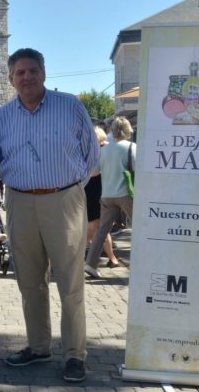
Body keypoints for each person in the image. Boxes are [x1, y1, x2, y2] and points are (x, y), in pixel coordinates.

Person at [0, 48, 98, 382]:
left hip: (62, 199)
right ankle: (39, 346)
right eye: (20, 72)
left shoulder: (70, 106)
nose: (26, 77)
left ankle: (74, 354)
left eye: (32, 70)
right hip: (19, 202)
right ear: (11, 78)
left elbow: (91, 157)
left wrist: (67, 190)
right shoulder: (3, 116)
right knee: (28, 281)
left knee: (70, 282)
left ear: (44, 72)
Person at [84, 117, 135, 279]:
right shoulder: (132, 148)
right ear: (128, 130)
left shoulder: (103, 150)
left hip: (106, 196)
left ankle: (90, 264)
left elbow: (93, 173)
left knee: (101, 231)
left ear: (113, 130)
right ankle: (144, 262)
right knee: (140, 228)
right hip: (126, 194)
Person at [84, 126, 121, 269]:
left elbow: (93, 172)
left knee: (96, 227)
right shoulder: (105, 150)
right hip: (99, 191)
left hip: (94, 191)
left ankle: (74, 257)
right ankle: (112, 258)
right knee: (98, 227)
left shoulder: (97, 151)